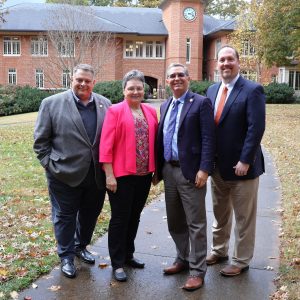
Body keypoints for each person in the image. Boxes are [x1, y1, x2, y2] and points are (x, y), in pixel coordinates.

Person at [33, 64, 111, 278]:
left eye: (87, 80)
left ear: (94, 82)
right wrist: (49, 164)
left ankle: (80, 246)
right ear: (72, 80)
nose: (83, 84)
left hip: (96, 175)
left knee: (90, 214)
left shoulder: (105, 104)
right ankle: (66, 256)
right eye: (79, 80)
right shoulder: (51, 104)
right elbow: (40, 141)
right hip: (63, 173)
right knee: (65, 216)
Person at [154, 63, 215, 291]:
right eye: (172, 76)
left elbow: (209, 139)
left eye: (181, 75)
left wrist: (205, 169)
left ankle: (197, 271)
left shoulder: (200, 103)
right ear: (167, 80)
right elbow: (162, 138)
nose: (176, 78)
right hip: (169, 171)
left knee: (196, 224)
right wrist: (157, 170)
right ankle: (183, 258)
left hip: (191, 172)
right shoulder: (165, 105)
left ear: (188, 78)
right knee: (175, 220)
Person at [206, 45, 266, 276]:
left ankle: (241, 260)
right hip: (218, 167)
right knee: (220, 212)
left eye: (230, 59)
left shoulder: (252, 90)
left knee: (244, 217)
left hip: (243, 168)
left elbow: (256, 128)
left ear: (238, 62)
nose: (226, 64)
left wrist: (245, 160)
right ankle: (219, 250)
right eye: (222, 60)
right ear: (216, 63)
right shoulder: (211, 91)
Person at [99, 70, 158, 282]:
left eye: (139, 88)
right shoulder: (115, 111)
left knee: (134, 216)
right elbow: (106, 145)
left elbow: (155, 144)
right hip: (121, 176)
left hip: (144, 175)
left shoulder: (150, 112)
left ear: (144, 90)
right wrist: (109, 175)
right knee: (120, 219)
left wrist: (156, 171)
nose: (135, 91)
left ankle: (128, 255)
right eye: (131, 88)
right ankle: (117, 263)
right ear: (124, 90)